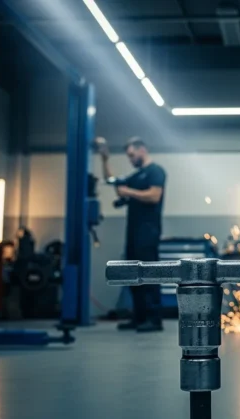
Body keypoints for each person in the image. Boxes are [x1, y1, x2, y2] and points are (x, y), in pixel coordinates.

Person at [95, 136, 166, 332]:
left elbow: (154, 195)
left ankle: (154, 319)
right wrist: (105, 159)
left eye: (132, 155)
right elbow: (114, 184)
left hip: (148, 232)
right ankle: (139, 317)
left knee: (149, 274)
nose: (131, 159)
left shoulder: (155, 172)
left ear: (142, 150)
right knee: (134, 274)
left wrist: (130, 192)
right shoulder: (136, 176)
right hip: (133, 232)